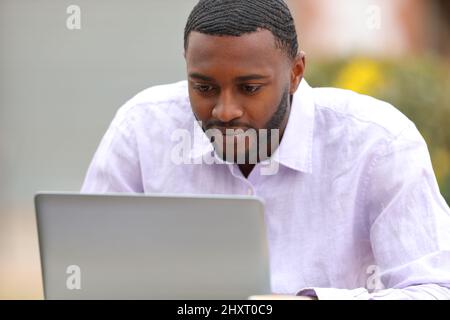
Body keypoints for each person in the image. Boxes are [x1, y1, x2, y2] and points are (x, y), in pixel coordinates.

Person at [81, 0, 450, 299]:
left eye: (250, 88)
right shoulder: (142, 128)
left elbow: (436, 288)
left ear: (295, 72)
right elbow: (86, 277)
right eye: (204, 87)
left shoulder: (378, 142)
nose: (225, 111)